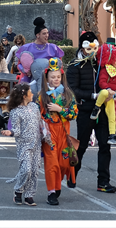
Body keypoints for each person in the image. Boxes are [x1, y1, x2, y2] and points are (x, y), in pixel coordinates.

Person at [66, 31, 116, 193]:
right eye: (89, 47)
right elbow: (73, 89)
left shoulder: (100, 63)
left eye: (95, 47)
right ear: (82, 47)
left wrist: (112, 89)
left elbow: (111, 79)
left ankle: (103, 182)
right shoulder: (75, 65)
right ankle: (72, 174)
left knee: (105, 146)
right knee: (81, 146)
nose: (92, 51)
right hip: (86, 110)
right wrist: (92, 95)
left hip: (102, 110)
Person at [37, 58, 77, 206]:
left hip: (64, 133)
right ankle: (51, 192)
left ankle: (58, 185)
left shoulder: (68, 95)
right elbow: (37, 114)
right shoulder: (42, 95)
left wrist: (60, 110)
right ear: (47, 78)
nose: (55, 80)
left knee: (64, 163)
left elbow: (74, 114)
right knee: (52, 163)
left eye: (58, 77)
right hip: (49, 134)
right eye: (52, 77)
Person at [1, 83, 41, 206]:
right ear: (24, 95)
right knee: (26, 170)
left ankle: (29, 195)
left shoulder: (34, 107)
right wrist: (10, 132)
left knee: (34, 171)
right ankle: (18, 191)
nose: (32, 94)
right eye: (30, 92)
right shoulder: (15, 112)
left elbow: (39, 123)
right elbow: (17, 130)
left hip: (36, 144)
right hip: (24, 145)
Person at [91, 44, 116, 146]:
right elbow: (102, 83)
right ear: (110, 59)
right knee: (104, 92)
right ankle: (96, 108)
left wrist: (113, 92)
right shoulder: (105, 70)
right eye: (115, 60)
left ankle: (112, 135)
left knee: (112, 115)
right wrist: (109, 90)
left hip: (111, 96)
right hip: (104, 93)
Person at [16, 18, 64, 94]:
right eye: (44, 33)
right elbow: (19, 64)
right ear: (37, 35)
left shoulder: (53, 48)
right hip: (30, 78)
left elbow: (60, 65)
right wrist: (26, 71)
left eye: (47, 33)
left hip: (49, 81)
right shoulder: (27, 48)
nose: (47, 35)